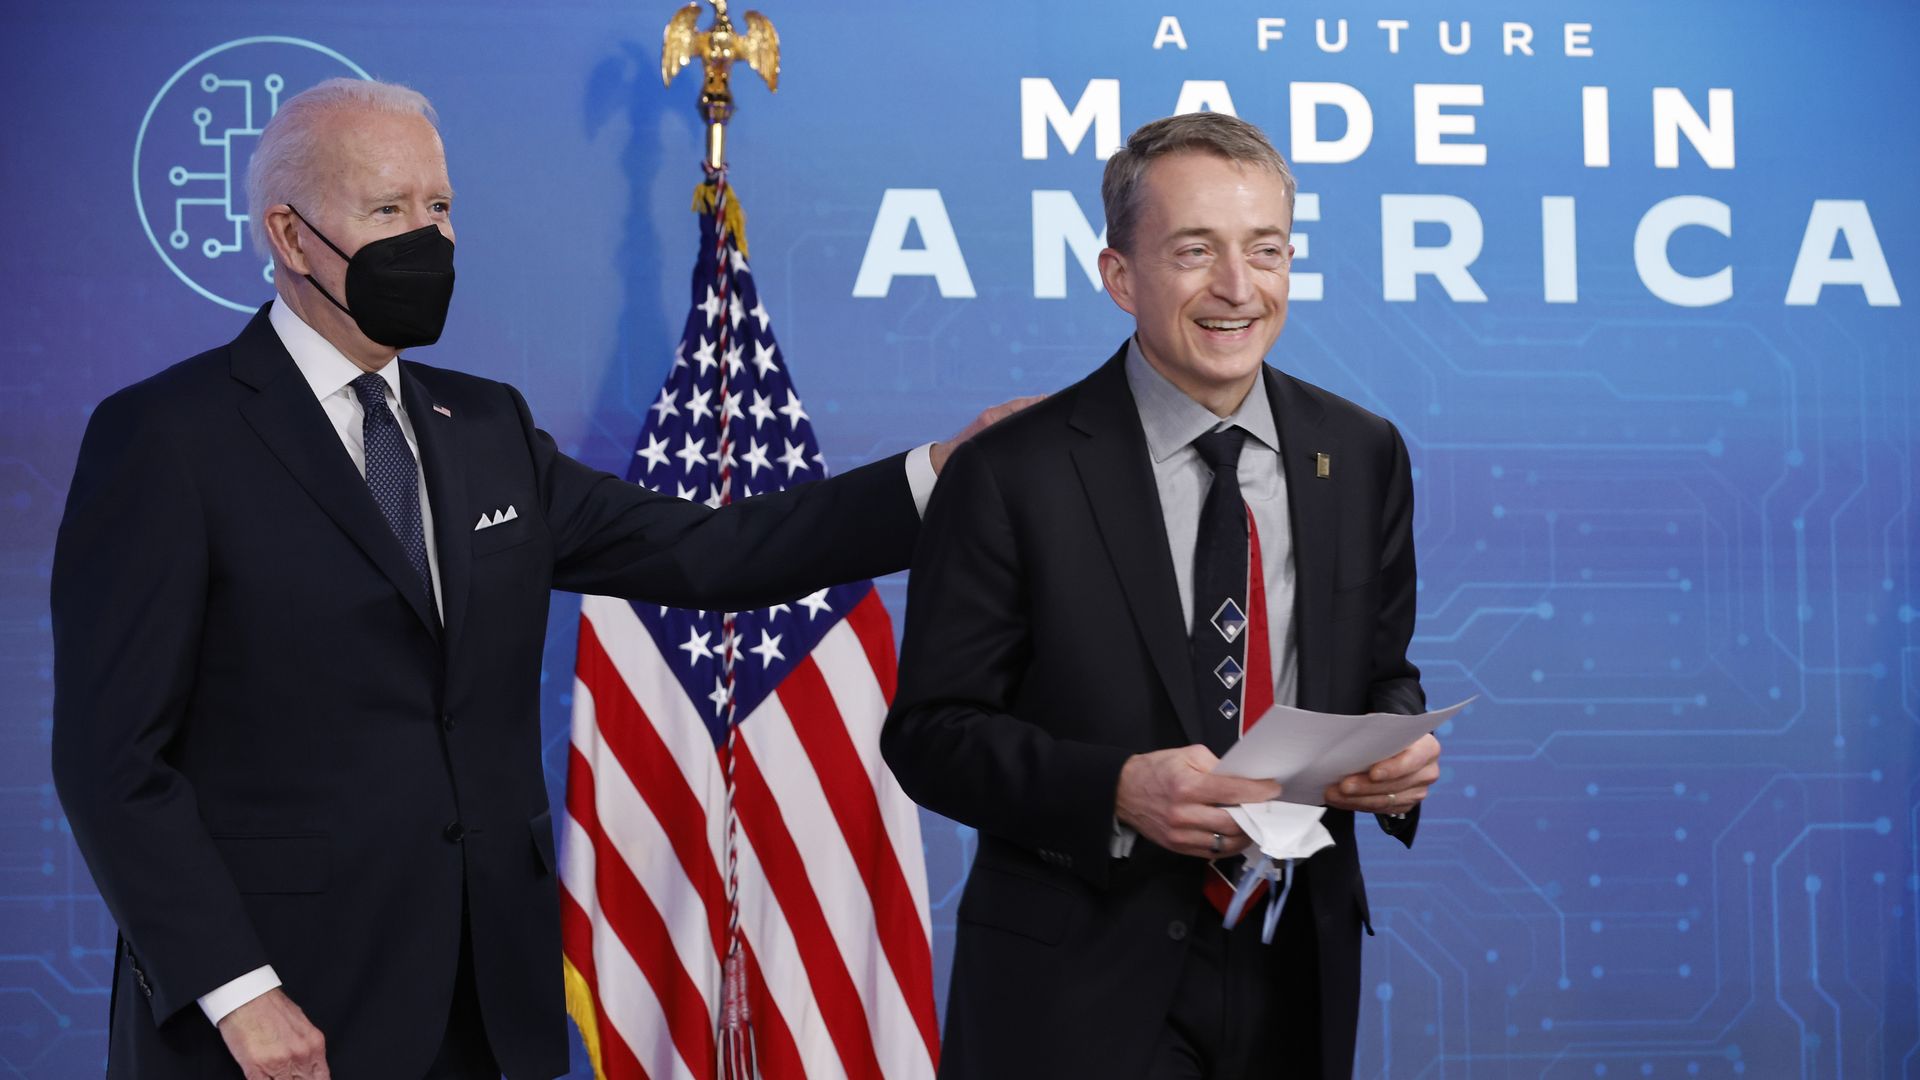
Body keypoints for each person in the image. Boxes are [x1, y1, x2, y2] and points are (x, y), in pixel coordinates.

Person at [51, 78, 1022, 1080]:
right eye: (387, 211)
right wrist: (238, 990)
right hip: (272, 1021)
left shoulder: (487, 428)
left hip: (487, 1012)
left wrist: (940, 473)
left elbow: (718, 554)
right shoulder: (167, 437)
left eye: (439, 207)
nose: (428, 239)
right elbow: (111, 760)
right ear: (290, 238)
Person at [881, 111, 1444, 1079]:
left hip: (1294, 959)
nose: (1238, 288)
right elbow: (930, 734)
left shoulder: (1361, 453)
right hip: (1076, 982)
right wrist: (1114, 790)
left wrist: (1391, 751)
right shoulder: (1012, 472)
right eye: (1196, 251)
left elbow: (1382, 673)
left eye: (1265, 250)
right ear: (1119, 276)